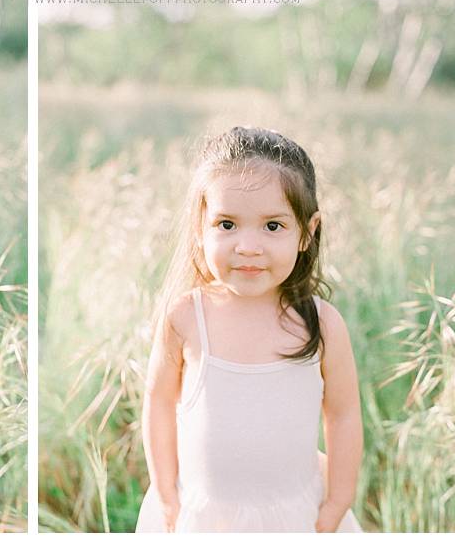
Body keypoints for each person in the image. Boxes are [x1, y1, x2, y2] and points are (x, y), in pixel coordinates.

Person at [136, 127, 363, 533]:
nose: (248, 246)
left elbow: (343, 414)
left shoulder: (321, 324)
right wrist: (166, 493)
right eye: (227, 224)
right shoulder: (188, 316)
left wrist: (337, 501)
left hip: (296, 514)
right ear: (199, 227)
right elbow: (158, 401)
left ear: (307, 233)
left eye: (272, 227)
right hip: (204, 517)